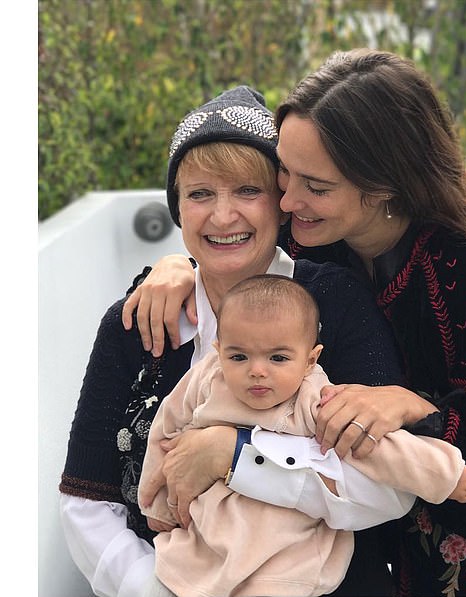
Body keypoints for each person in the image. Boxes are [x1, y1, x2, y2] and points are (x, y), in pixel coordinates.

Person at [133, 50, 466, 596]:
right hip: (400, 556)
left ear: (382, 189)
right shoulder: (316, 240)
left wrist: (415, 406)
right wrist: (178, 269)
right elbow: (241, 263)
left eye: (315, 186)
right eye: (285, 171)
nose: (287, 200)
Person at [59, 85, 436, 597]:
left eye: (246, 190)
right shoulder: (137, 325)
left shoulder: (332, 302)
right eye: (199, 194)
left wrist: (239, 456)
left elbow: (389, 488)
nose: (222, 216)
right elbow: (86, 498)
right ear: (177, 209)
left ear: (281, 206)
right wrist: (154, 589)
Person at [140, 274, 466, 597]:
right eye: (238, 356)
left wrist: (445, 474)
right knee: (173, 576)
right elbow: (166, 428)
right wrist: (156, 503)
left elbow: (381, 448)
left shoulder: (314, 399)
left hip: (286, 557)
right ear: (218, 350)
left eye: (278, 357)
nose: (257, 370)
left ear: (309, 360)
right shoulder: (208, 379)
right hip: (206, 542)